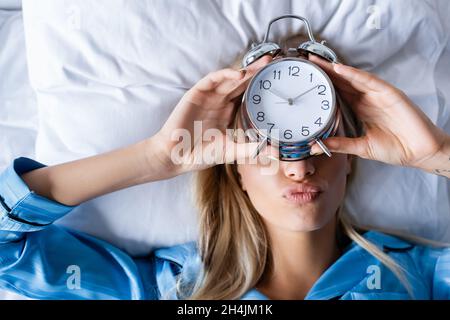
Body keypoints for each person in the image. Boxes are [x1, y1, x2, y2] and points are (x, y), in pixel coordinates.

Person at [0, 52, 449, 300]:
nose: (298, 165)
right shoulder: (172, 288)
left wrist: (435, 154)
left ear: (350, 157)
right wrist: (156, 158)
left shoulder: (421, 277)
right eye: (268, 146)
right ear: (235, 165)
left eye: (320, 141)